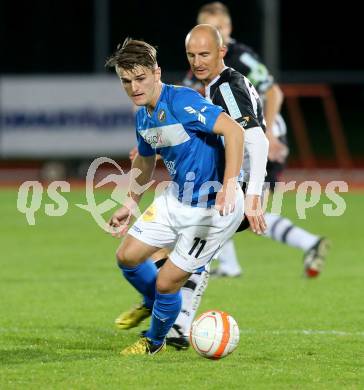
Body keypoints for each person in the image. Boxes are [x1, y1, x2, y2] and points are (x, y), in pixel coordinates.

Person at [114, 26, 269, 351]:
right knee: (127, 256)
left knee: (169, 280)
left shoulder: (183, 100)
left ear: (157, 72)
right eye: (126, 81)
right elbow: (144, 161)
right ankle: (156, 303)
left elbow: (236, 132)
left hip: (213, 209)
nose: (134, 87)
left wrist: (232, 185)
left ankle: (154, 340)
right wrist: (129, 203)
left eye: (140, 78)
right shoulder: (144, 117)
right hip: (177, 200)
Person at [183, 2, 329, 278]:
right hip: (238, 141)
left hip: (259, 138)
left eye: (220, 27)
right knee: (226, 203)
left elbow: (274, 92)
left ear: (229, 29)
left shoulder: (241, 58)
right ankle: (231, 264)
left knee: (240, 208)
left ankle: (307, 243)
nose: (217, 32)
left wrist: (270, 134)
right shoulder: (200, 63)